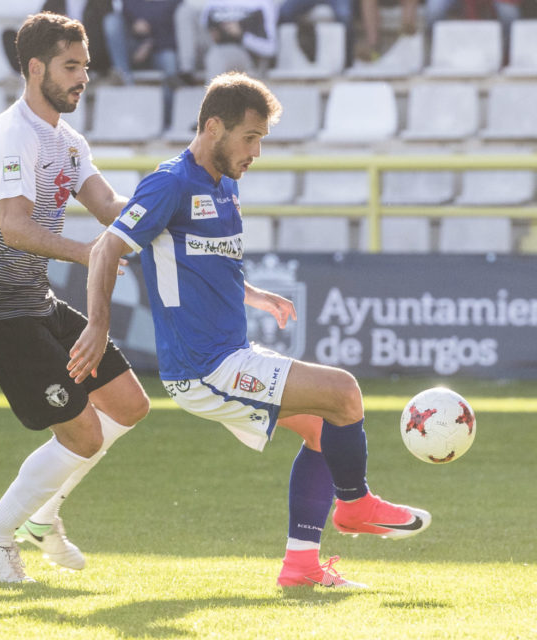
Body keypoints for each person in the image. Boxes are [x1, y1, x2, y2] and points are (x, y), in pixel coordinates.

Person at [68, 72, 431, 588]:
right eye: (250, 138)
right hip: (203, 365)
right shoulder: (171, 182)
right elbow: (108, 247)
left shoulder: (225, 185)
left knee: (322, 430)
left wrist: (254, 294)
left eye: (261, 140)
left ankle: (301, 567)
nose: (256, 152)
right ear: (213, 126)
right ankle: (353, 505)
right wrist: (100, 327)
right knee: (344, 393)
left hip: (227, 354)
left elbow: (209, 261)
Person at [0, 12, 150, 584]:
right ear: (36, 67)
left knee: (130, 405)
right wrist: (94, 253)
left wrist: (165, 214)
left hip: (36, 303)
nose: (82, 78)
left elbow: (109, 206)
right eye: (71, 67)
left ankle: (42, 514)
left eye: (86, 67)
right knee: (83, 432)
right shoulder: (12, 133)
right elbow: (14, 227)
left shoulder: (68, 141)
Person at [3, 1, 122, 79]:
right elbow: (39, 24)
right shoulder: (55, 2)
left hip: (88, 53)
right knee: (10, 35)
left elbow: (106, 34)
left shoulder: (100, 3)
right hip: (58, 49)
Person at [200, 0, 277, 78]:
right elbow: (203, 31)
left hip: (245, 53)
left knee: (217, 56)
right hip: (211, 49)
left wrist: (241, 35)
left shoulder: (261, 3)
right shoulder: (211, 3)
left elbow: (270, 49)